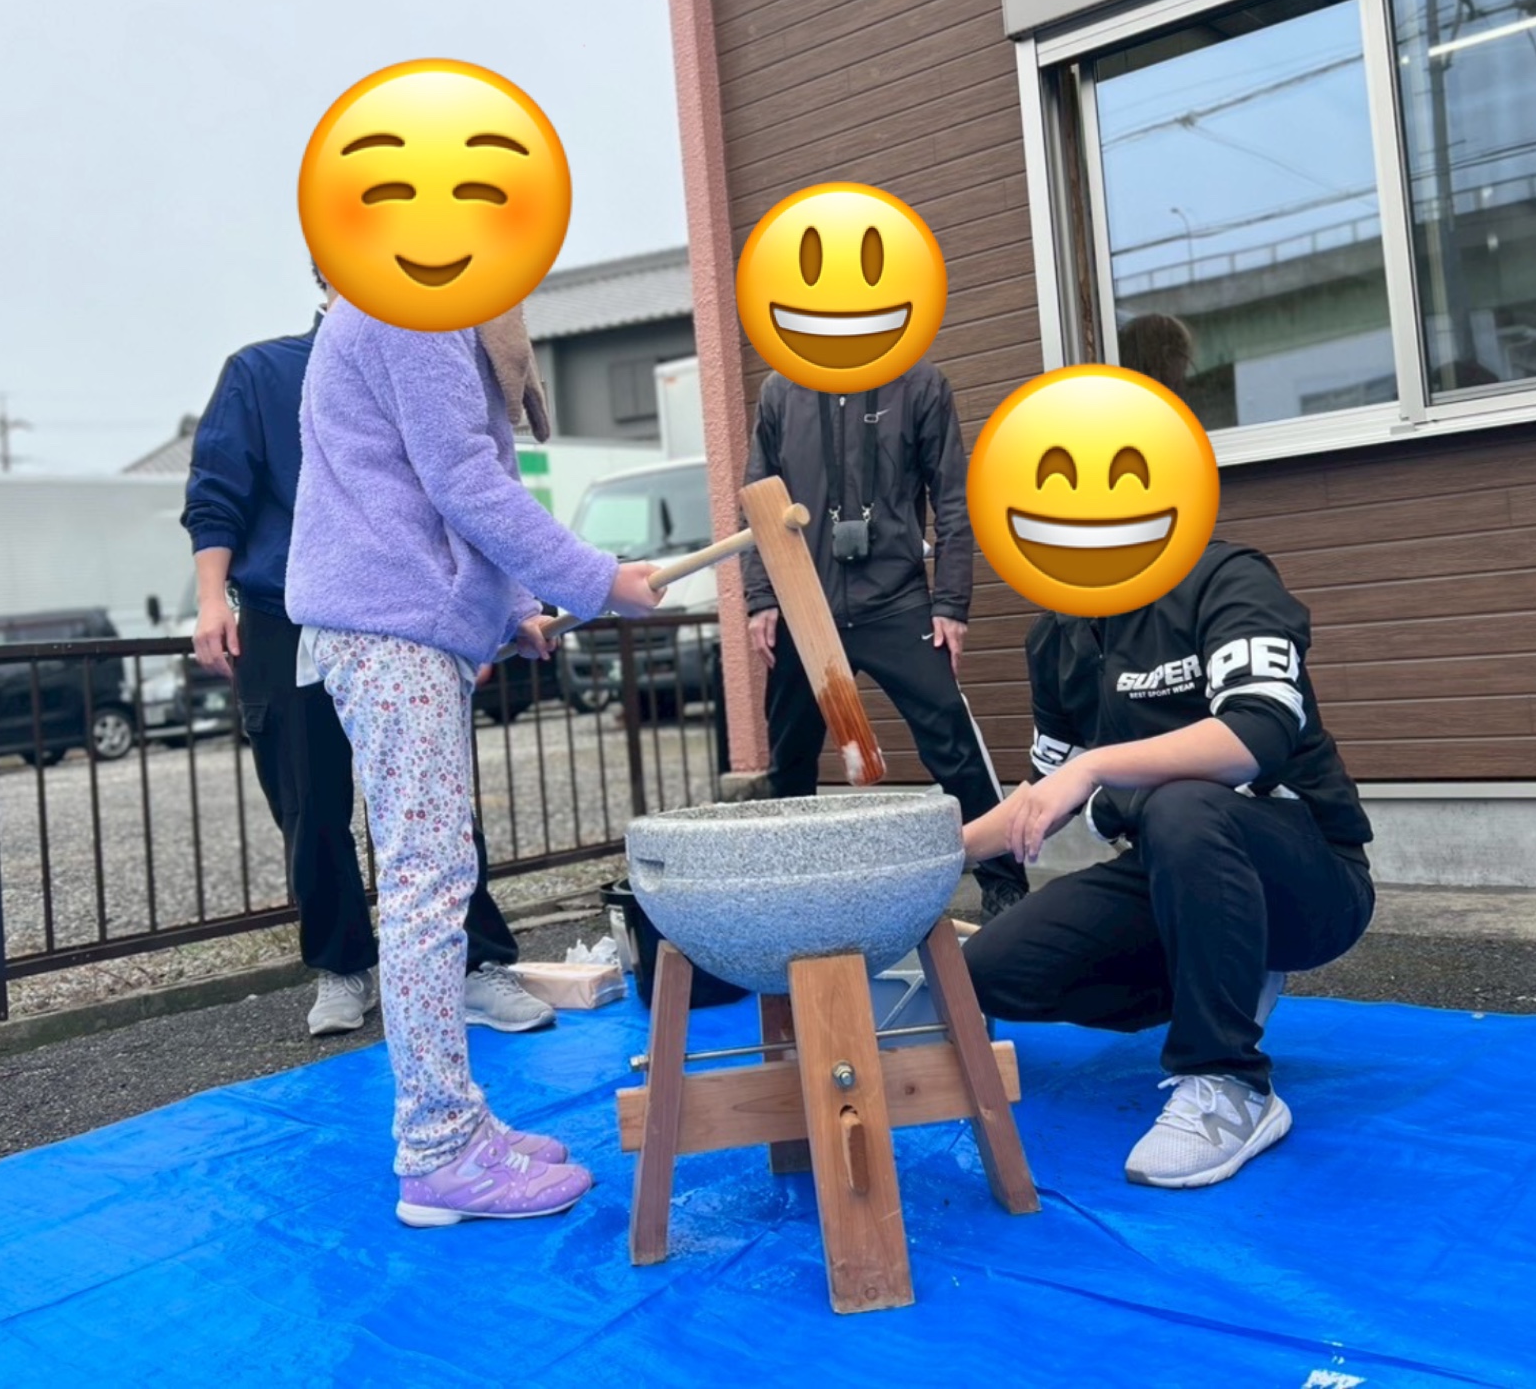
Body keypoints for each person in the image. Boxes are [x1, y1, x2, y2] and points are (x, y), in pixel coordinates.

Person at [286, 291, 661, 1226]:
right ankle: (438, 1148)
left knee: (432, 875)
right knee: (427, 881)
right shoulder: (410, 306)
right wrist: (597, 580)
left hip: (391, 619)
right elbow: (462, 478)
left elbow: (430, 483)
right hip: (390, 626)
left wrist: (514, 611)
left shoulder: (407, 306)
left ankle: (453, 1122)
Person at [181, 268, 555, 1043]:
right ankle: (342, 964)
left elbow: (468, 482)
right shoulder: (264, 370)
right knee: (309, 801)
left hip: (398, 612)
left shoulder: (426, 353)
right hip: (287, 611)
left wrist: (497, 608)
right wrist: (211, 599)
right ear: (325, 263)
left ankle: (475, 963)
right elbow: (217, 490)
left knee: (431, 801)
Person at [959, 538, 1375, 1190]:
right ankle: (1228, 972)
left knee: (1180, 804)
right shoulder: (1055, 638)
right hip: (1174, 876)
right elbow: (1040, 795)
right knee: (986, 970)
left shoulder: (1220, 576)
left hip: (1309, 879)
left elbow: (1254, 734)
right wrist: (936, 853)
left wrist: (1094, 767)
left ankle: (1228, 1080)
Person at [740, 359, 1024, 915]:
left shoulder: (920, 384)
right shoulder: (780, 390)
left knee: (952, 739)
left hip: (897, 598)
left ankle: (1004, 883)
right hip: (805, 600)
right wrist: (761, 597)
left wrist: (951, 603)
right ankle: (791, 893)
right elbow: (757, 499)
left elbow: (952, 498)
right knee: (790, 755)